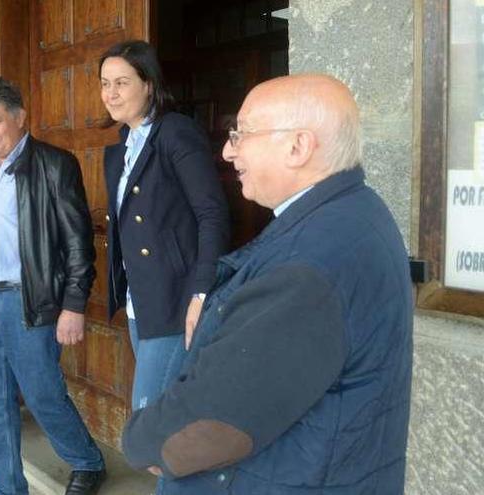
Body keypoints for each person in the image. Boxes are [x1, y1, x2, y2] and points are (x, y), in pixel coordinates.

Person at [121, 74, 413, 494]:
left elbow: (211, 423)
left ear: (297, 146)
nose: (227, 151)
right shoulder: (353, 212)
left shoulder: (308, 265)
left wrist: (139, 441)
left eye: (241, 134)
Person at [0, 77, 107, 495]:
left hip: (28, 302)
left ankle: (87, 461)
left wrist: (74, 304)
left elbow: (78, 242)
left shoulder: (53, 165)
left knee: (42, 394)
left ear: (20, 118)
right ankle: (6, 486)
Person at [99, 40, 229, 413]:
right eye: (105, 83)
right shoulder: (125, 143)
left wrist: (201, 291)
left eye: (121, 82)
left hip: (175, 300)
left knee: (151, 421)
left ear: (149, 85)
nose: (111, 93)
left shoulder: (174, 132)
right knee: (165, 417)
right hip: (141, 299)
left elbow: (212, 214)